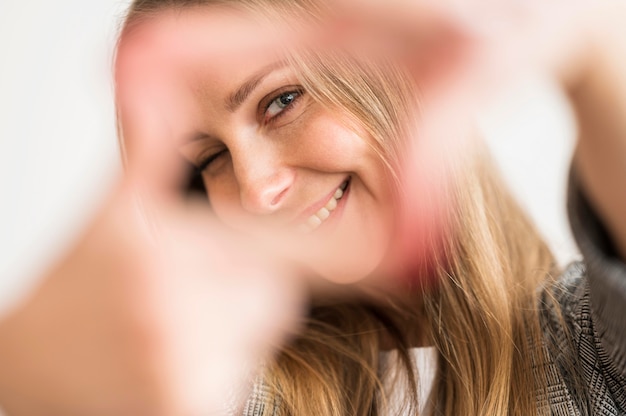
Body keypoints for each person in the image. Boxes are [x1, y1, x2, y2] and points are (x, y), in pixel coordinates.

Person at [0, 0, 625, 415]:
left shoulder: (585, 351)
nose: (254, 189)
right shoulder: (212, 389)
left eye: (281, 101)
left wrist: (591, 51)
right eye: (210, 158)